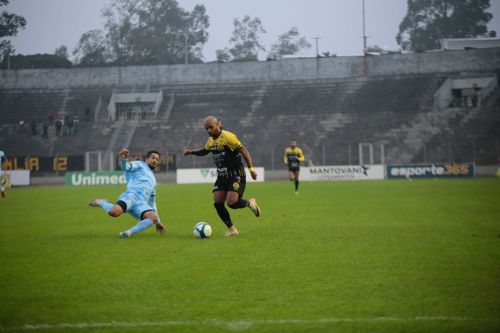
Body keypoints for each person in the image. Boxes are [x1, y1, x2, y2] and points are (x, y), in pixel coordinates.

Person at [184, 116, 261, 237]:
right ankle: (232, 229)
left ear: (217, 125)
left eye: (211, 127)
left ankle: (250, 203)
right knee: (218, 202)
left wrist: (251, 169)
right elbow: (205, 151)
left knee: (231, 203)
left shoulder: (228, 136)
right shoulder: (210, 140)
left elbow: (244, 151)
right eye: (206, 128)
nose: (209, 130)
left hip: (236, 174)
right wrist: (192, 152)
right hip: (222, 176)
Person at [89, 148, 166, 238]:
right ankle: (101, 202)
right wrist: (124, 159)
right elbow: (126, 167)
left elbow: (152, 202)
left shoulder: (153, 180)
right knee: (113, 213)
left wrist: (158, 223)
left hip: (141, 205)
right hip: (130, 197)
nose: (155, 161)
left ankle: (128, 233)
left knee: (153, 218)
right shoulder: (140, 164)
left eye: (157, 160)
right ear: (146, 159)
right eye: (153, 158)